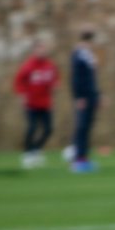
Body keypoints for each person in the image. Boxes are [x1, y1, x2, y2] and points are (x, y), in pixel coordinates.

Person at [14, 40, 60, 169]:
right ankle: (27, 153)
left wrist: (55, 86)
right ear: (34, 51)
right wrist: (22, 95)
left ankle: (36, 150)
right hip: (31, 103)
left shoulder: (50, 65)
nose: (42, 51)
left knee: (49, 129)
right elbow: (18, 81)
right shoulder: (28, 66)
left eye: (44, 49)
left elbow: (56, 78)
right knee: (32, 128)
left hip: (45, 103)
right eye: (39, 49)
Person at [69, 30, 100, 173]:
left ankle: (84, 158)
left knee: (86, 128)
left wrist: (98, 95)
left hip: (91, 97)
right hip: (83, 98)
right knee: (81, 128)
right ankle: (77, 160)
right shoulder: (78, 55)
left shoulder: (89, 56)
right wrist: (79, 97)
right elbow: (76, 79)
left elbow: (92, 80)